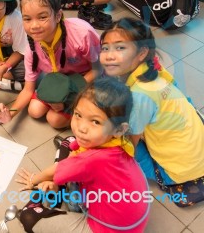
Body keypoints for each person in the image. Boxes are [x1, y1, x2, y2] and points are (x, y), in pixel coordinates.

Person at [15, 77, 149, 233]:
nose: (81, 128)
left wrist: (34, 179)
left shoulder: (92, 159)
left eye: (96, 122)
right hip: (129, 216)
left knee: (28, 217)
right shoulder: (120, 142)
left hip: (105, 228)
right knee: (70, 141)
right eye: (78, 115)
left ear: (119, 129)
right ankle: (57, 190)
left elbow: (57, 170)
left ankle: (52, 197)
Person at [100, 17, 204, 206]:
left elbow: (129, 144)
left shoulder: (140, 96)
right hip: (197, 151)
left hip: (180, 171)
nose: (109, 55)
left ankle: (166, 175)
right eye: (105, 48)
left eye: (120, 48)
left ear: (141, 53)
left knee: (118, 140)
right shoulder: (156, 68)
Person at [0, 0, 101, 129]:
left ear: (58, 16)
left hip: (85, 77)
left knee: (54, 120)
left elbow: (99, 69)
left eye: (42, 17)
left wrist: (65, 93)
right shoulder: (31, 48)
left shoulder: (82, 33)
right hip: (58, 80)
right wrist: (10, 114)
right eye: (27, 19)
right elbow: (28, 89)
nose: (34, 26)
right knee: (34, 110)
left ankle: (78, 105)